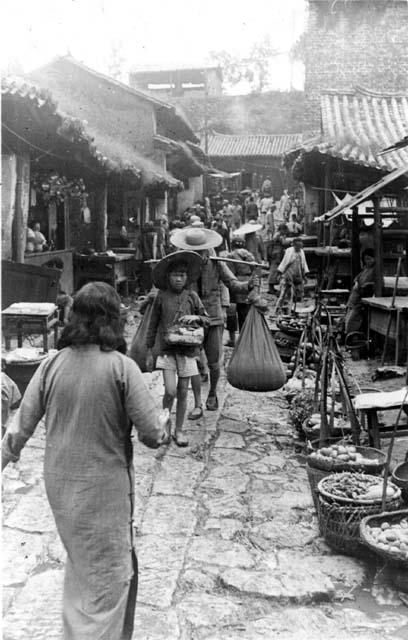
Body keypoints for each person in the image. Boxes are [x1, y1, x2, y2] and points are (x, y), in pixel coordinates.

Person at [2, 281, 168, 640]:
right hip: (102, 492)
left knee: (82, 569)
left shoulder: (51, 364)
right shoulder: (122, 368)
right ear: (113, 320)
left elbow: (19, 429)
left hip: (62, 490)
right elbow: (153, 435)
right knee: (109, 579)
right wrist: (165, 423)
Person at [170, 227, 258, 417]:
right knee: (190, 362)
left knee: (214, 362)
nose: (199, 255)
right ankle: (197, 403)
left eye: (202, 251)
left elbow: (233, 284)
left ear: (207, 249)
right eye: (195, 251)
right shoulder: (182, 265)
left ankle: (212, 393)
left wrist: (249, 284)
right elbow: (167, 285)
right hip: (189, 320)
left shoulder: (217, 263)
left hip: (213, 318)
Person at [146, 252, 208, 446]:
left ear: (187, 277)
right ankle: (165, 426)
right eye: (175, 275)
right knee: (170, 391)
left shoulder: (192, 297)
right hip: (166, 351)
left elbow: (207, 319)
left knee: (183, 391)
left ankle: (179, 430)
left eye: (182, 275)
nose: (179, 279)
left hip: (188, 352)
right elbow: (153, 324)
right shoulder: (161, 297)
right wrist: (149, 350)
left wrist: (196, 318)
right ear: (168, 277)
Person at [226, 236, 256, 333]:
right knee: (246, 311)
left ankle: (233, 337)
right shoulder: (249, 254)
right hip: (249, 281)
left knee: (232, 312)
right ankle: (246, 335)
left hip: (237, 282)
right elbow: (254, 269)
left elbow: (230, 272)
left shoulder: (231, 255)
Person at [275, 237, 310, 313]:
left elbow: (304, 264)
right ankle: (278, 309)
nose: (299, 248)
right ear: (294, 245)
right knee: (284, 294)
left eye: (300, 246)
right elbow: (285, 262)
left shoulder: (302, 252)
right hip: (288, 275)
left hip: (298, 275)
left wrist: (305, 276)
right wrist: (280, 273)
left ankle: (293, 310)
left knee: (297, 294)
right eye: (297, 246)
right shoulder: (289, 251)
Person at [345, 248, 375, 335]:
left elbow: (367, 285)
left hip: (360, 301)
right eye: (366, 259)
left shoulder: (374, 271)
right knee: (348, 320)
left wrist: (362, 286)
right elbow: (357, 280)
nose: (368, 261)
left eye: (369, 258)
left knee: (352, 323)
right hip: (354, 300)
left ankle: (352, 341)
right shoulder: (365, 270)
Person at [267, 223, 288, 294]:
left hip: (276, 254)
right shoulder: (279, 235)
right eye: (285, 230)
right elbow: (284, 243)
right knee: (274, 271)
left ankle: (271, 288)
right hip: (276, 254)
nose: (286, 232)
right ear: (282, 229)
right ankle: (271, 288)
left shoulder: (277, 234)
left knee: (275, 270)